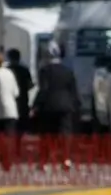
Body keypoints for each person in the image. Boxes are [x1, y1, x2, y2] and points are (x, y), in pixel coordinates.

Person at [33, 41, 80, 171]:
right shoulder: (68, 71)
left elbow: (43, 90)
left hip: (49, 106)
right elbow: (74, 91)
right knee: (65, 134)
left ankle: (44, 161)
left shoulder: (45, 71)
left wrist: (36, 105)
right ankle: (66, 159)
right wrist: (76, 106)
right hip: (66, 106)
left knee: (47, 134)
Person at [6, 48, 34, 153]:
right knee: (21, 126)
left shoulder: (7, 70)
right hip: (22, 100)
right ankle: (17, 145)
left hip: (10, 100)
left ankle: (10, 145)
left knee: (10, 124)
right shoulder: (24, 70)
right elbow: (30, 85)